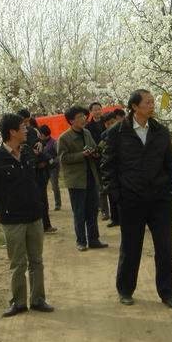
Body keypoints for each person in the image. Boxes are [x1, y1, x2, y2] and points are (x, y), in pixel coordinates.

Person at [101, 90, 172, 310]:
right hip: (131, 200)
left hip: (159, 200)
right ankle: (125, 290)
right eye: (148, 102)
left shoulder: (160, 131)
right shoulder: (117, 132)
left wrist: (171, 187)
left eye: (153, 102)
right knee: (131, 247)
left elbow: (169, 162)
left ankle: (168, 293)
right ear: (135, 106)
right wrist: (116, 195)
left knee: (165, 247)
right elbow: (108, 166)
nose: (152, 105)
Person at [0, 113, 54, 317]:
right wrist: (1, 208)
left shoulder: (28, 152)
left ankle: (38, 299)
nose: (26, 131)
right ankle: (19, 302)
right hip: (12, 220)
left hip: (34, 216)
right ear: (12, 132)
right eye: (22, 127)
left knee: (36, 260)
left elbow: (37, 176)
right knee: (18, 263)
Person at [57, 106, 109, 252]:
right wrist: (82, 155)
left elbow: (93, 147)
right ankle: (81, 241)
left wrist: (95, 153)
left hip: (91, 177)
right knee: (79, 212)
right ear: (71, 121)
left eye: (83, 116)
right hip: (76, 180)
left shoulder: (87, 133)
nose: (83, 119)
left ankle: (94, 240)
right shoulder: (64, 138)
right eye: (79, 117)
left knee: (93, 211)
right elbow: (63, 158)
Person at [85, 102, 110, 222]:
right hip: (96, 158)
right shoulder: (88, 127)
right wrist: (94, 152)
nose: (97, 111)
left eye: (99, 109)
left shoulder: (107, 122)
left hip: (109, 156)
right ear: (91, 112)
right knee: (101, 186)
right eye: (94, 110)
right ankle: (104, 211)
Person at [99, 112, 121, 228]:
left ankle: (123, 218)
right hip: (110, 170)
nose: (111, 125)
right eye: (108, 124)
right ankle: (115, 219)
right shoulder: (104, 136)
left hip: (122, 169)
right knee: (111, 195)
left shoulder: (124, 133)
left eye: (113, 122)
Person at [40, 125, 62, 211]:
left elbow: (59, 155)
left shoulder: (54, 142)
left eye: (41, 133)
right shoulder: (41, 143)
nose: (40, 135)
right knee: (43, 187)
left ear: (44, 134)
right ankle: (45, 205)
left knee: (54, 186)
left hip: (54, 168)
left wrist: (53, 161)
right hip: (44, 168)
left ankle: (58, 204)